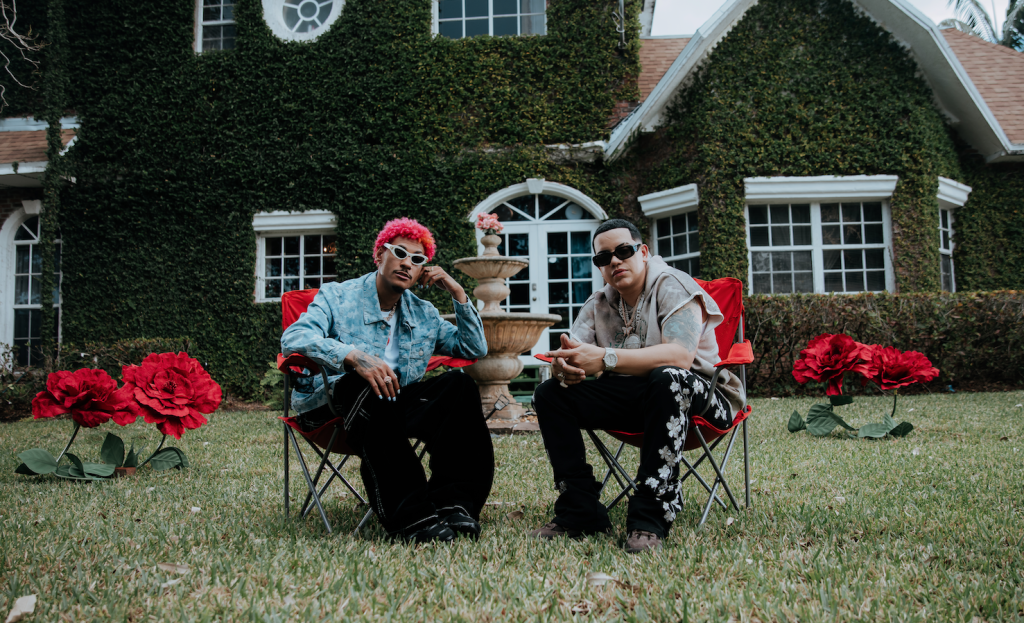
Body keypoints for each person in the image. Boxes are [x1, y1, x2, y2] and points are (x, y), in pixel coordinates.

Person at [528, 218, 745, 553]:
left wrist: (605, 358)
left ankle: (650, 515)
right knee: (550, 394)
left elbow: (680, 357)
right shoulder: (599, 303)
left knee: (667, 377)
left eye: (624, 251)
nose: (614, 261)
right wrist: (564, 369)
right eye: (604, 257)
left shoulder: (673, 285)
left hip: (702, 399)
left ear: (643, 252)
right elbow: (575, 355)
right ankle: (580, 509)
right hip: (636, 400)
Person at [281, 217, 491, 544]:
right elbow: (294, 338)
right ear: (379, 255)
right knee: (365, 384)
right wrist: (353, 356)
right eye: (400, 253)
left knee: (458, 386)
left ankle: (454, 505)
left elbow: (473, 348)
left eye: (417, 259)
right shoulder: (337, 296)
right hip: (331, 407)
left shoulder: (424, 314)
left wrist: (458, 293)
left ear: (423, 272)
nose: (407, 263)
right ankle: (413, 518)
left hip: (391, 410)